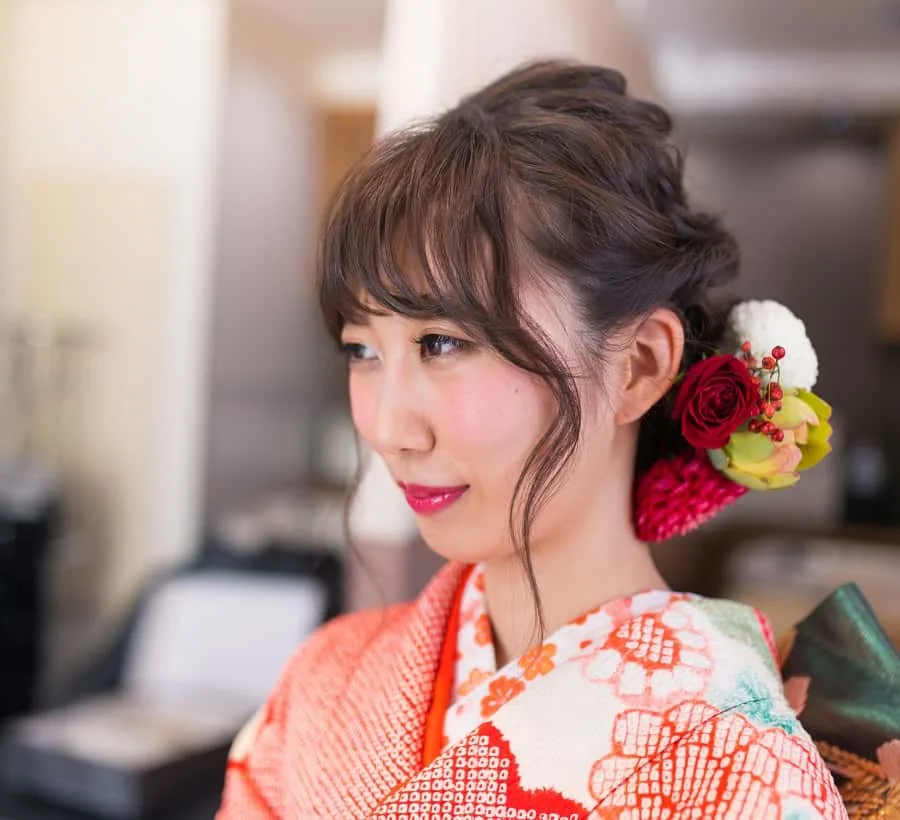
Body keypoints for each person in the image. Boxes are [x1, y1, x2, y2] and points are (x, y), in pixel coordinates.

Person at [217, 61, 847, 819]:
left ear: (639, 365)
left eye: (443, 343)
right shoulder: (327, 677)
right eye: (362, 350)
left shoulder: (738, 760)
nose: (388, 427)